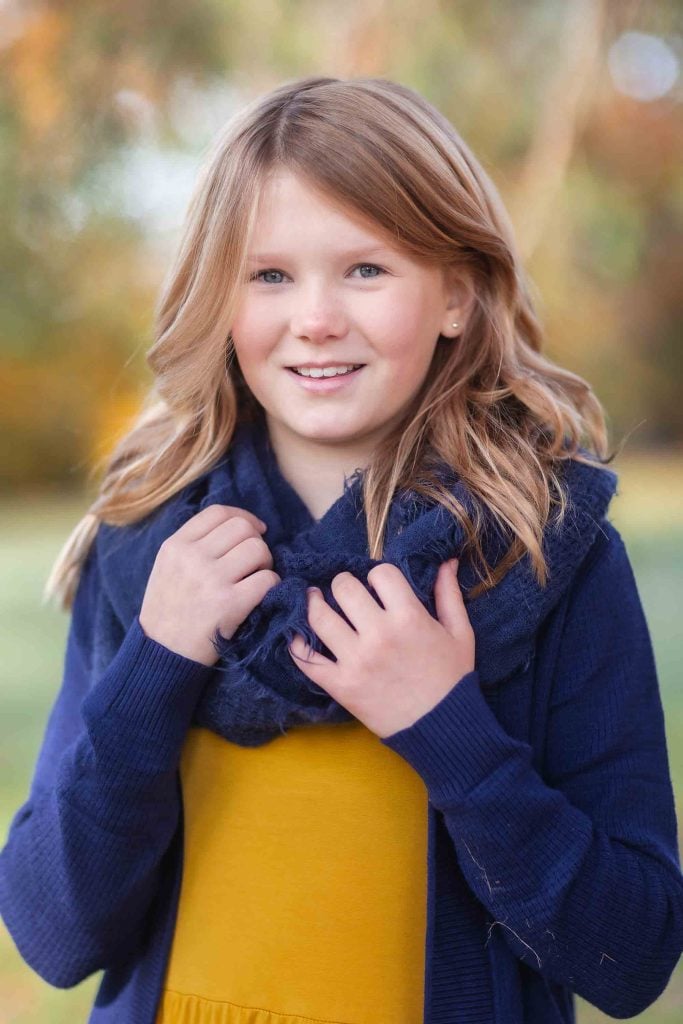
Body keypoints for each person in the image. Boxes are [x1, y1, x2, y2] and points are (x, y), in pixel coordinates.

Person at [1, 75, 681, 1024]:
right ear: (220, 299)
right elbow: (52, 931)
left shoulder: (543, 556)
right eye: (269, 275)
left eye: (365, 269)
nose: (314, 317)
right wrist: (156, 664)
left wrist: (447, 727)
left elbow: (632, 954)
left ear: (456, 294)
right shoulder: (149, 547)